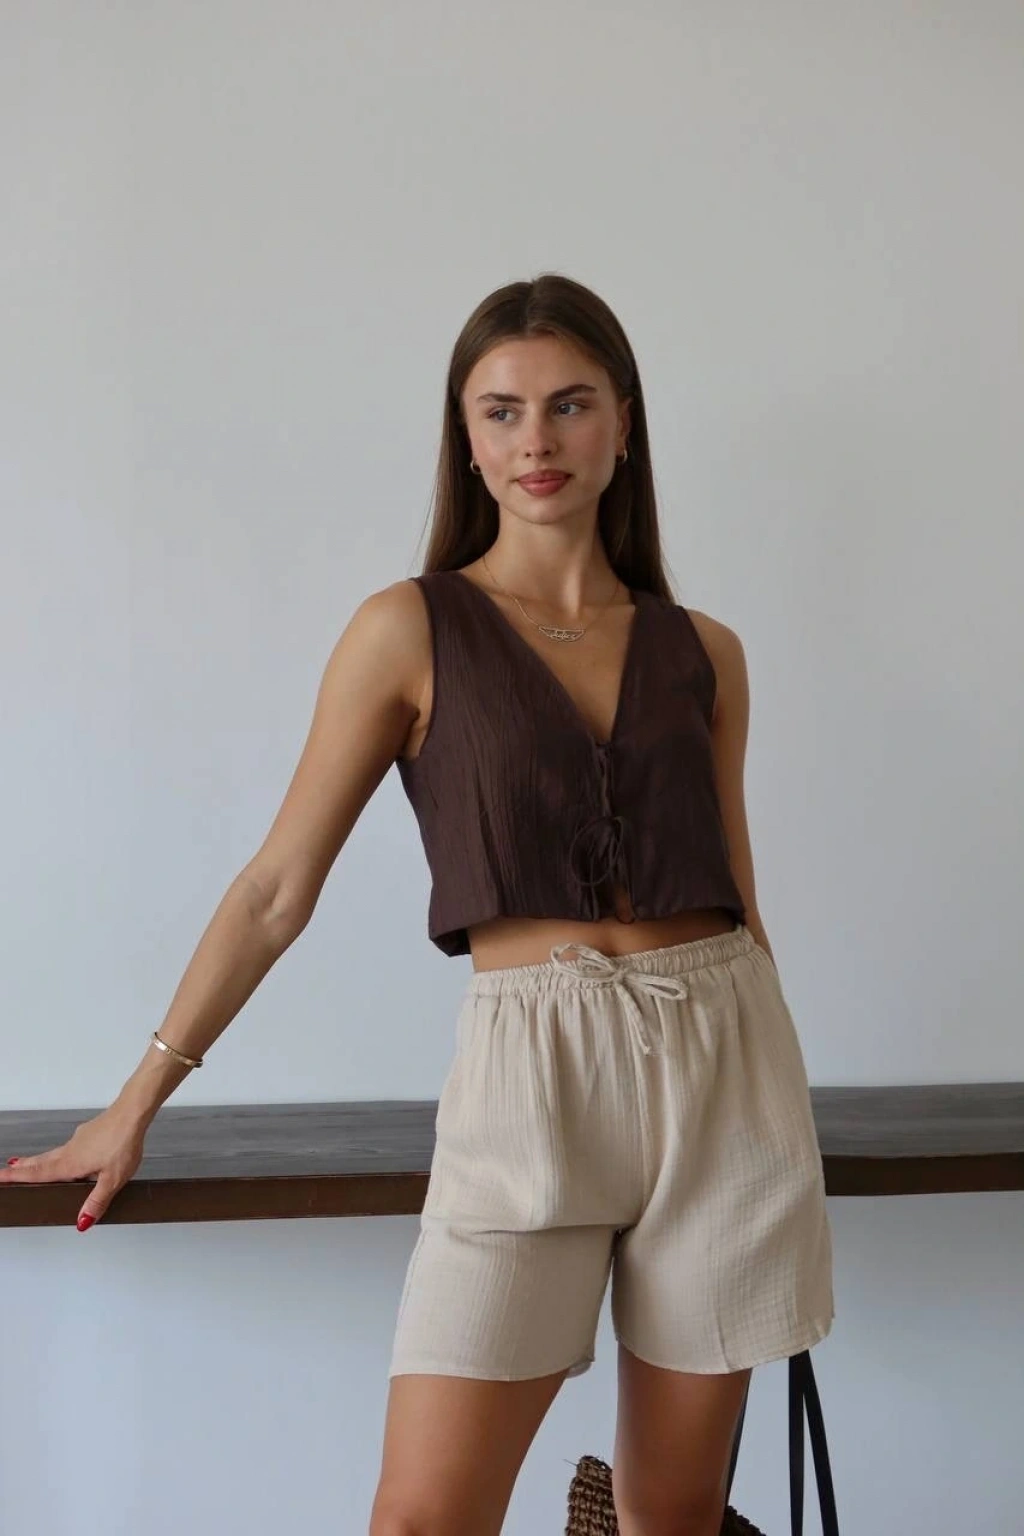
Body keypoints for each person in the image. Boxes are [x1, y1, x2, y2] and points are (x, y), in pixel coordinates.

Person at [0, 273, 835, 1536]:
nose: (536, 440)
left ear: (624, 421)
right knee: (422, 1520)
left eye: (569, 405)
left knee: (671, 1517)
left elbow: (739, 900)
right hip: (530, 1074)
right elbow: (275, 889)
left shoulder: (704, 651)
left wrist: (775, 1107)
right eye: (501, 412)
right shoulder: (408, 630)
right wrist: (136, 1103)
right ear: (466, 438)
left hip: (723, 1065)